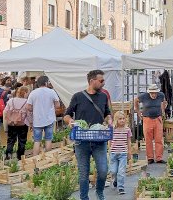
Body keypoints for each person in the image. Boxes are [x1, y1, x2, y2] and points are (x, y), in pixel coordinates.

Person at [64, 70, 112, 200]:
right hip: (82, 141)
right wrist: (70, 121)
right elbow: (67, 115)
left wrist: (109, 120)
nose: (103, 83)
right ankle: (84, 198)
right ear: (92, 81)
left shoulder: (103, 96)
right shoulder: (78, 96)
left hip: (99, 140)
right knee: (83, 174)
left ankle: (99, 192)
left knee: (103, 171)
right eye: (101, 81)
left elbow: (107, 113)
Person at [27, 76, 60, 156]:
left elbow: (28, 107)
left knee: (37, 141)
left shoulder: (33, 92)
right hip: (49, 119)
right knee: (48, 139)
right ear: (46, 83)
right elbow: (58, 105)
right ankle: (48, 158)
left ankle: (35, 160)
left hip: (37, 120)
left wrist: (36, 109)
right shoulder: (51, 91)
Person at [134, 84, 167, 164]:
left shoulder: (161, 95)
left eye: (155, 93)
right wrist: (138, 112)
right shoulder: (144, 96)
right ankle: (150, 158)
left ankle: (159, 158)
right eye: (152, 93)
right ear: (149, 92)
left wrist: (163, 110)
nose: (154, 95)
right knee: (148, 139)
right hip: (147, 118)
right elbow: (135, 100)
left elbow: (164, 102)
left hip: (158, 118)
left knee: (159, 139)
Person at [3, 86, 30, 160]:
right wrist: (30, 123)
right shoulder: (26, 102)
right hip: (22, 124)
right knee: (22, 140)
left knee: (11, 139)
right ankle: (20, 156)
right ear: (24, 93)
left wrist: (7, 121)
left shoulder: (11, 100)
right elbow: (28, 114)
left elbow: (5, 112)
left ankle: (8, 153)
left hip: (11, 123)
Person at [109, 111, 131, 195]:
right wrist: (109, 149)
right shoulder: (112, 129)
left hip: (123, 153)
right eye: (120, 119)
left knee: (121, 171)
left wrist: (129, 152)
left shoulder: (127, 129)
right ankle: (115, 180)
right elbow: (109, 140)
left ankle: (121, 187)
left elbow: (128, 141)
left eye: (123, 118)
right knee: (113, 171)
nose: (122, 120)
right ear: (116, 120)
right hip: (113, 153)